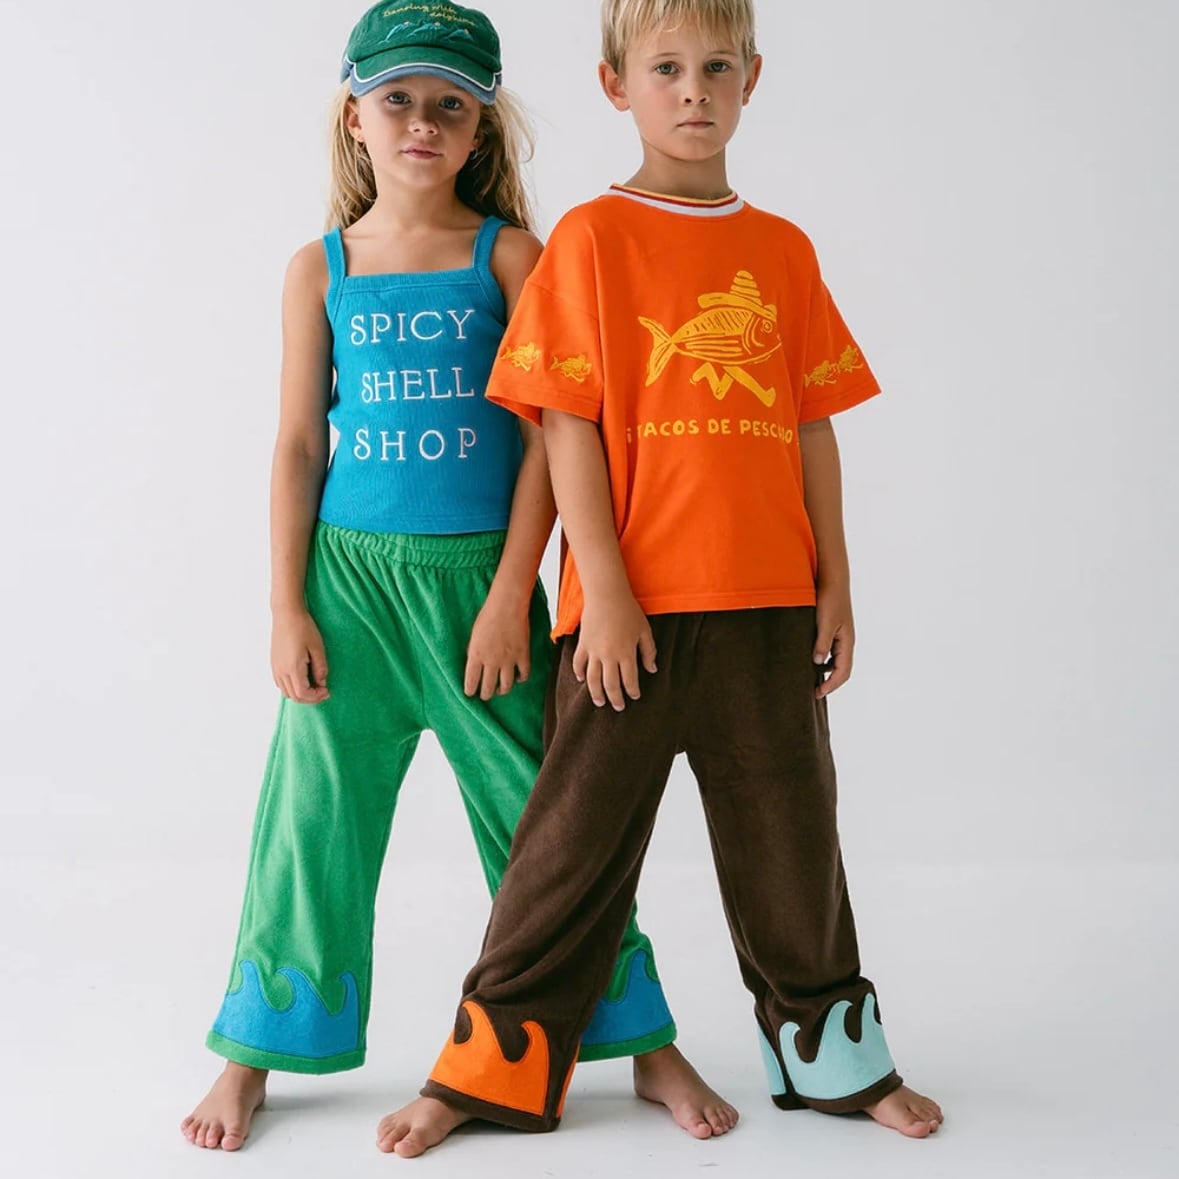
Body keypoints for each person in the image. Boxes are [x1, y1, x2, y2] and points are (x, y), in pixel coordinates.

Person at [378, 0, 946, 1157]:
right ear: (615, 86)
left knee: (792, 845)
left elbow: (811, 426)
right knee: (567, 853)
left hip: (770, 611)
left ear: (751, 80)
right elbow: (567, 425)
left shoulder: (782, 251)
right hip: (625, 622)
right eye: (668, 68)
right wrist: (608, 591)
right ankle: (486, 1069)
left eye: (717, 67)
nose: (694, 90)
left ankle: (837, 1060)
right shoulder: (592, 240)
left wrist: (836, 584)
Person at [181, 0, 734, 1153]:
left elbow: (547, 438)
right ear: (356, 116)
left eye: (450, 104)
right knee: (311, 826)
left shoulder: (511, 258)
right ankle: (254, 1052)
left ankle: (640, 1040)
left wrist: (507, 594)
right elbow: (299, 445)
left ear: (482, 127)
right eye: (398, 101)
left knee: (550, 828)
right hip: (348, 593)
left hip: (481, 591)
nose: (422, 122)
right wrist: (286, 606)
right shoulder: (318, 269)